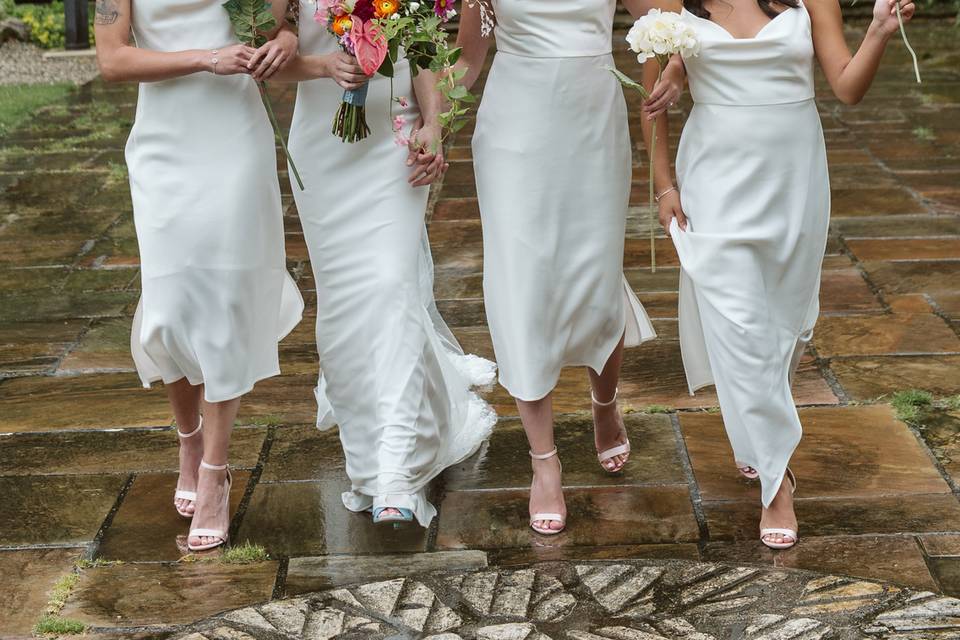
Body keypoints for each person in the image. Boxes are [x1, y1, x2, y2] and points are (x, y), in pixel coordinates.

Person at [648, 0, 916, 549]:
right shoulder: (675, 10)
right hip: (715, 183)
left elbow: (846, 86)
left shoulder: (811, 1)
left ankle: (757, 428)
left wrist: (880, 32)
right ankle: (776, 482)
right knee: (739, 324)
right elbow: (653, 107)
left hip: (793, 180)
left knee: (786, 327)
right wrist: (664, 184)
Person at [455, 0, 680, 535]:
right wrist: (418, 119)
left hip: (590, 124)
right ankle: (544, 460)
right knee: (522, 283)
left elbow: (669, 19)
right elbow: (468, 58)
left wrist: (677, 63)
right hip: (514, 127)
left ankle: (605, 403)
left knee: (594, 274)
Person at [270, 2, 497, 527]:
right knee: (343, 309)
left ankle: (398, 475)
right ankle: (366, 464)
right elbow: (273, 56)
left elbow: (421, 50)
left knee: (395, 288)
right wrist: (325, 66)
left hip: (393, 142)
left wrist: (436, 124)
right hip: (323, 148)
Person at [94, 0, 303, 551]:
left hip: (235, 137)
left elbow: (283, 23)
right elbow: (113, 61)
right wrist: (206, 58)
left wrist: (285, 42)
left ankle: (214, 468)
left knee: (225, 301)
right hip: (166, 143)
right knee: (171, 302)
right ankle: (189, 438)